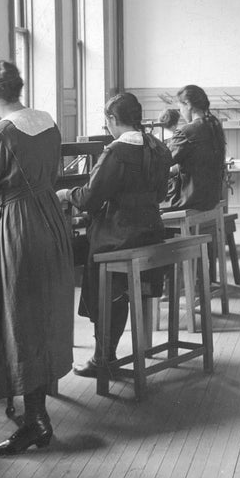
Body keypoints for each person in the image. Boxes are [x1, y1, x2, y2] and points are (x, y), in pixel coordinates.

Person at [0, 58, 75, 456]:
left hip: (18, 228)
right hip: (49, 220)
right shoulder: (46, 121)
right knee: (40, 316)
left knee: (18, 317)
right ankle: (35, 412)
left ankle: (35, 422)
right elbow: (53, 174)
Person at [59, 92, 172, 376]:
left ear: (111, 119)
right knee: (99, 259)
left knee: (90, 260)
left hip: (119, 236)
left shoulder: (116, 152)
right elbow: (160, 194)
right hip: (151, 233)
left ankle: (102, 357)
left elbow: (88, 200)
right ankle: (108, 351)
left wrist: (65, 193)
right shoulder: (159, 147)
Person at [164, 84, 227, 211]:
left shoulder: (187, 131)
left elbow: (164, 161)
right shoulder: (214, 125)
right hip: (211, 197)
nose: (181, 113)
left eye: (180, 108)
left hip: (189, 198)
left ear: (187, 104)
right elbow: (197, 161)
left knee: (144, 203)